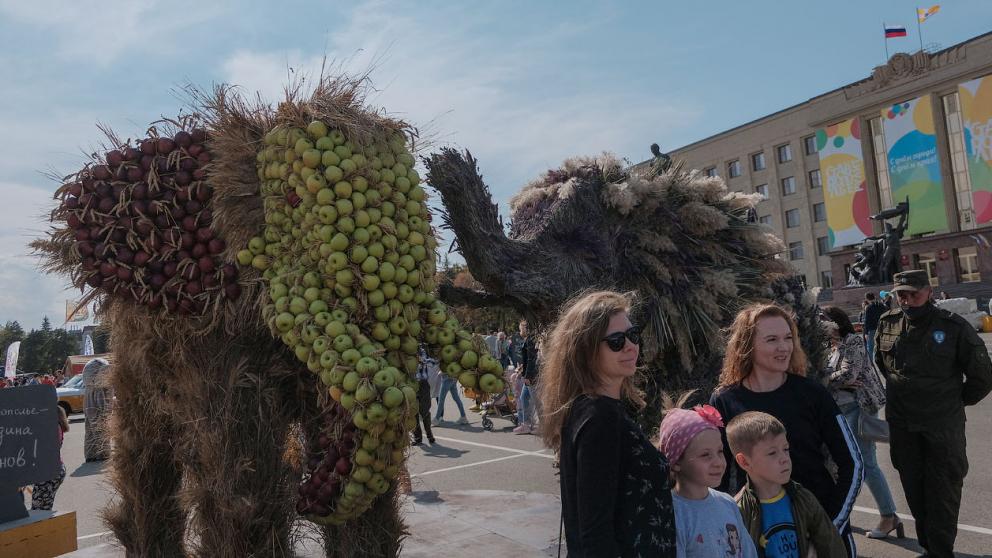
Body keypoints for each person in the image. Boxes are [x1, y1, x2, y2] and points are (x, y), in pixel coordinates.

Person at [710, 303, 863, 557]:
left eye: (788, 338)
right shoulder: (725, 400)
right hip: (763, 535)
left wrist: (829, 527)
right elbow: (719, 476)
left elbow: (853, 463)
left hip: (822, 526)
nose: (784, 347)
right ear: (747, 345)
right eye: (771, 339)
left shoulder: (812, 393)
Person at [539, 290, 675, 557]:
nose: (630, 346)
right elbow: (595, 532)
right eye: (616, 341)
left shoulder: (594, 409)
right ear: (586, 350)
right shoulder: (599, 416)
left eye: (632, 335)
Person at [875, 270, 992, 557]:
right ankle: (930, 548)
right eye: (901, 294)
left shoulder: (953, 327)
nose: (907, 300)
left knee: (943, 492)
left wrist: (953, 402)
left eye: (913, 293)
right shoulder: (887, 324)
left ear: (929, 291)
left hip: (942, 427)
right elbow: (883, 364)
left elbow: (983, 377)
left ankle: (941, 552)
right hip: (903, 425)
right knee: (914, 490)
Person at [820, 306, 900, 539]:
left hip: (859, 407)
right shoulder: (830, 346)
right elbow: (831, 375)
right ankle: (842, 512)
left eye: (823, 321)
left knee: (866, 464)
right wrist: (831, 379)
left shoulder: (852, 341)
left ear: (835, 322)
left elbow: (848, 375)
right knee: (844, 463)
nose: (820, 326)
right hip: (840, 409)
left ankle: (888, 516)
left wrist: (826, 378)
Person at [728, 411, 846, 557]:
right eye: (772, 453)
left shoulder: (803, 498)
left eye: (785, 449)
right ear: (744, 461)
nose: (784, 459)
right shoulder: (738, 510)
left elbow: (831, 546)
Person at [658, 404, 757, 558]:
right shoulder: (672, 513)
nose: (718, 462)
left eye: (720, 451)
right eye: (705, 455)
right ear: (676, 462)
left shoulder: (728, 503)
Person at [32, 406, 70, 510]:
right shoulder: (56, 427)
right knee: (43, 506)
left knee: (39, 508)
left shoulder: (53, 428)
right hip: (54, 469)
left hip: (49, 471)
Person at [82, 357, 112, 462]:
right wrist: (107, 412)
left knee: (90, 430)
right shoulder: (101, 388)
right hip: (96, 410)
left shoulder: (88, 388)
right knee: (101, 430)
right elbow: (103, 404)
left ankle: (90, 454)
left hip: (88, 408)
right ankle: (103, 454)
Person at [515, 320, 540, 434]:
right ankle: (526, 424)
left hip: (532, 376)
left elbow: (532, 359)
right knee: (524, 398)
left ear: (525, 328)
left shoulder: (531, 340)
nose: (520, 331)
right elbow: (527, 359)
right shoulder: (528, 339)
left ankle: (543, 426)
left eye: (520, 328)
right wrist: (522, 370)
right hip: (528, 375)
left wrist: (528, 375)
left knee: (537, 402)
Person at [412, 348, 436, 445]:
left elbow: (433, 362)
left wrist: (422, 360)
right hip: (412, 385)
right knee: (414, 412)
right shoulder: (405, 352)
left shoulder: (421, 350)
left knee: (425, 410)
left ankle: (430, 436)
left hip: (423, 384)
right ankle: (418, 438)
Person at [859, 292, 887, 360]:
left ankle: (870, 363)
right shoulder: (881, 305)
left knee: (870, 347)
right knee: (881, 345)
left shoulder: (869, 307)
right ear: (874, 296)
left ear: (867, 298)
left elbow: (867, 321)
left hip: (872, 329)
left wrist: (865, 332)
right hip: (881, 328)